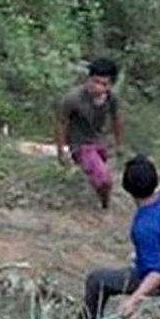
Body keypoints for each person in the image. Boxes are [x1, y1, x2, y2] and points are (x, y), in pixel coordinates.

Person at [76, 156, 160, 319]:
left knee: (97, 281)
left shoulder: (144, 226)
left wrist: (134, 300)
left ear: (127, 188)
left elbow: (156, 272)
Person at [56, 58, 124, 209]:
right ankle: (104, 205)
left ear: (110, 85)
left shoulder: (111, 98)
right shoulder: (73, 98)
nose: (97, 87)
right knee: (104, 179)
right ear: (89, 79)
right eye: (95, 81)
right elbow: (61, 122)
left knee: (99, 170)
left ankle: (97, 193)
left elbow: (117, 118)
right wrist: (62, 150)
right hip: (80, 144)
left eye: (104, 84)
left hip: (99, 141)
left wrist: (119, 144)